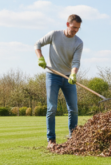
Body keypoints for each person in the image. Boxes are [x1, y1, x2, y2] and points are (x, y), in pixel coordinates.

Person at [35, 14, 84, 148]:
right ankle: (51, 140)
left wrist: (73, 74)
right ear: (67, 24)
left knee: (73, 109)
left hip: (68, 77)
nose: (75, 30)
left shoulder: (78, 42)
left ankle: (73, 139)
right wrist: (40, 57)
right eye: (74, 27)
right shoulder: (54, 35)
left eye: (78, 28)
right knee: (52, 108)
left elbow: (76, 62)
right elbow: (37, 44)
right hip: (53, 75)